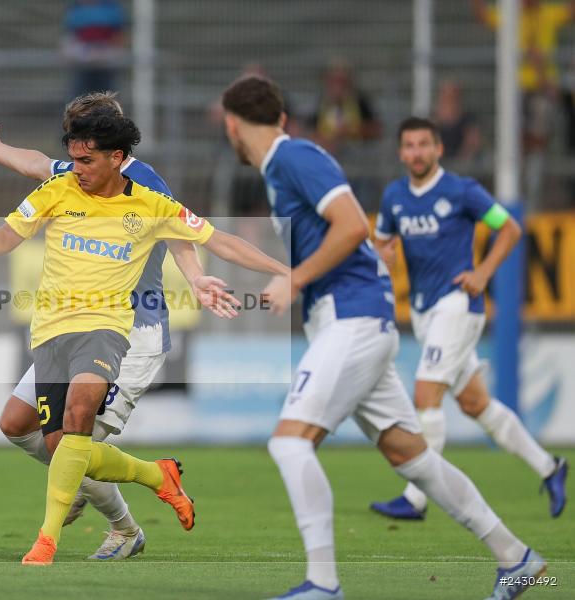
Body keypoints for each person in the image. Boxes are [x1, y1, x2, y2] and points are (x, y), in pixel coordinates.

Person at [220, 75, 546, 600]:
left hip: (353, 320)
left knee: (288, 443)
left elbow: (352, 227)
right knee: (412, 457)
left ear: (233, 123)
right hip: (356, 321)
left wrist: (296, 279)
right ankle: (519, 559)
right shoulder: (286, 165)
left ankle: (323, 585)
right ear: (279, 116)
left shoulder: (292, 159)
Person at [0, 108, 289, 566]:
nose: (75, 160)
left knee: (70, 439)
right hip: (63, 327)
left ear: (115, 152)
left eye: (85, 150)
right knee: (19, 426)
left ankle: (114, 526)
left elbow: (191, 235)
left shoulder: (145, 184)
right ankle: (122, 478)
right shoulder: (75, 173)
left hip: (133, 329)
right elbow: (36, 165)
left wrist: (201, 278)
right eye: (72, 149)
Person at [370, 117, 568, 521]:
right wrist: (382, 254)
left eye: (424, 144)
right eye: (409, 145)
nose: (416, 152)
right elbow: (382, 243)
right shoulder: (394, 197)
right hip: (425, 312)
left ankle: (416, 498)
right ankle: (551, 467)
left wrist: (483, 273)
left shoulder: (462, 191)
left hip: (457, 306)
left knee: (426, 396)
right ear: (400, 152)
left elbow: (509, 228)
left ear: (438, 149)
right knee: (476, 403)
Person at [473, 0, 575, 205]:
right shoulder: (510, 15)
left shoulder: (548, 13)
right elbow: (482, 15)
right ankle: (514, 192)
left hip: (542, 89)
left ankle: (533, 197)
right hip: (514, 90)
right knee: (513, 142)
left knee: (539, 142)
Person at [62, 0, 127, 97]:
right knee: (79, 97)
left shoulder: (111, 8)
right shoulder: (75, 9)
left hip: (106, 66)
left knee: (106, 97)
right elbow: (70, 38)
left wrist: (106, 52)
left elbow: (119, 36)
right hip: (82, 66)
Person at [433, 79, 482, 165]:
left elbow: (473, 144)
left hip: (463, 167)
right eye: (446, 95)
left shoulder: (469, 120)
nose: (450, 98)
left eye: (453, 95)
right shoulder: (433, 119)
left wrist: (461, 164)